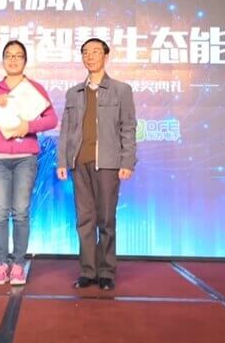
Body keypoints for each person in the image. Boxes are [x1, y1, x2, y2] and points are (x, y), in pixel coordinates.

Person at [0, 40, 57, 285]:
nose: (13, 60)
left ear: (25, 61)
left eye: (18, 56)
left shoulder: (35, 89)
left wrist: (28, 126)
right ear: (3, 60)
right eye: (9, 55)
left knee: (20, 211)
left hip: (25, 158)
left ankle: (18, 264)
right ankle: (0, 265)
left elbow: (52, 120)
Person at [56, 38, 137, 291]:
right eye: (85, 52)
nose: (89, 56)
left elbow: (128, 127)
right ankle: (87, 271)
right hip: (79, 162)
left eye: (95, 52)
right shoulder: (74, 93)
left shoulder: (121, 90)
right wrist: (62, 160)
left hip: (108, 164)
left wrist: (127, 161)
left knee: (106, 219)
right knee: (84, 220)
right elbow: (66, 130)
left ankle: (107, 272)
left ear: (106, 56)